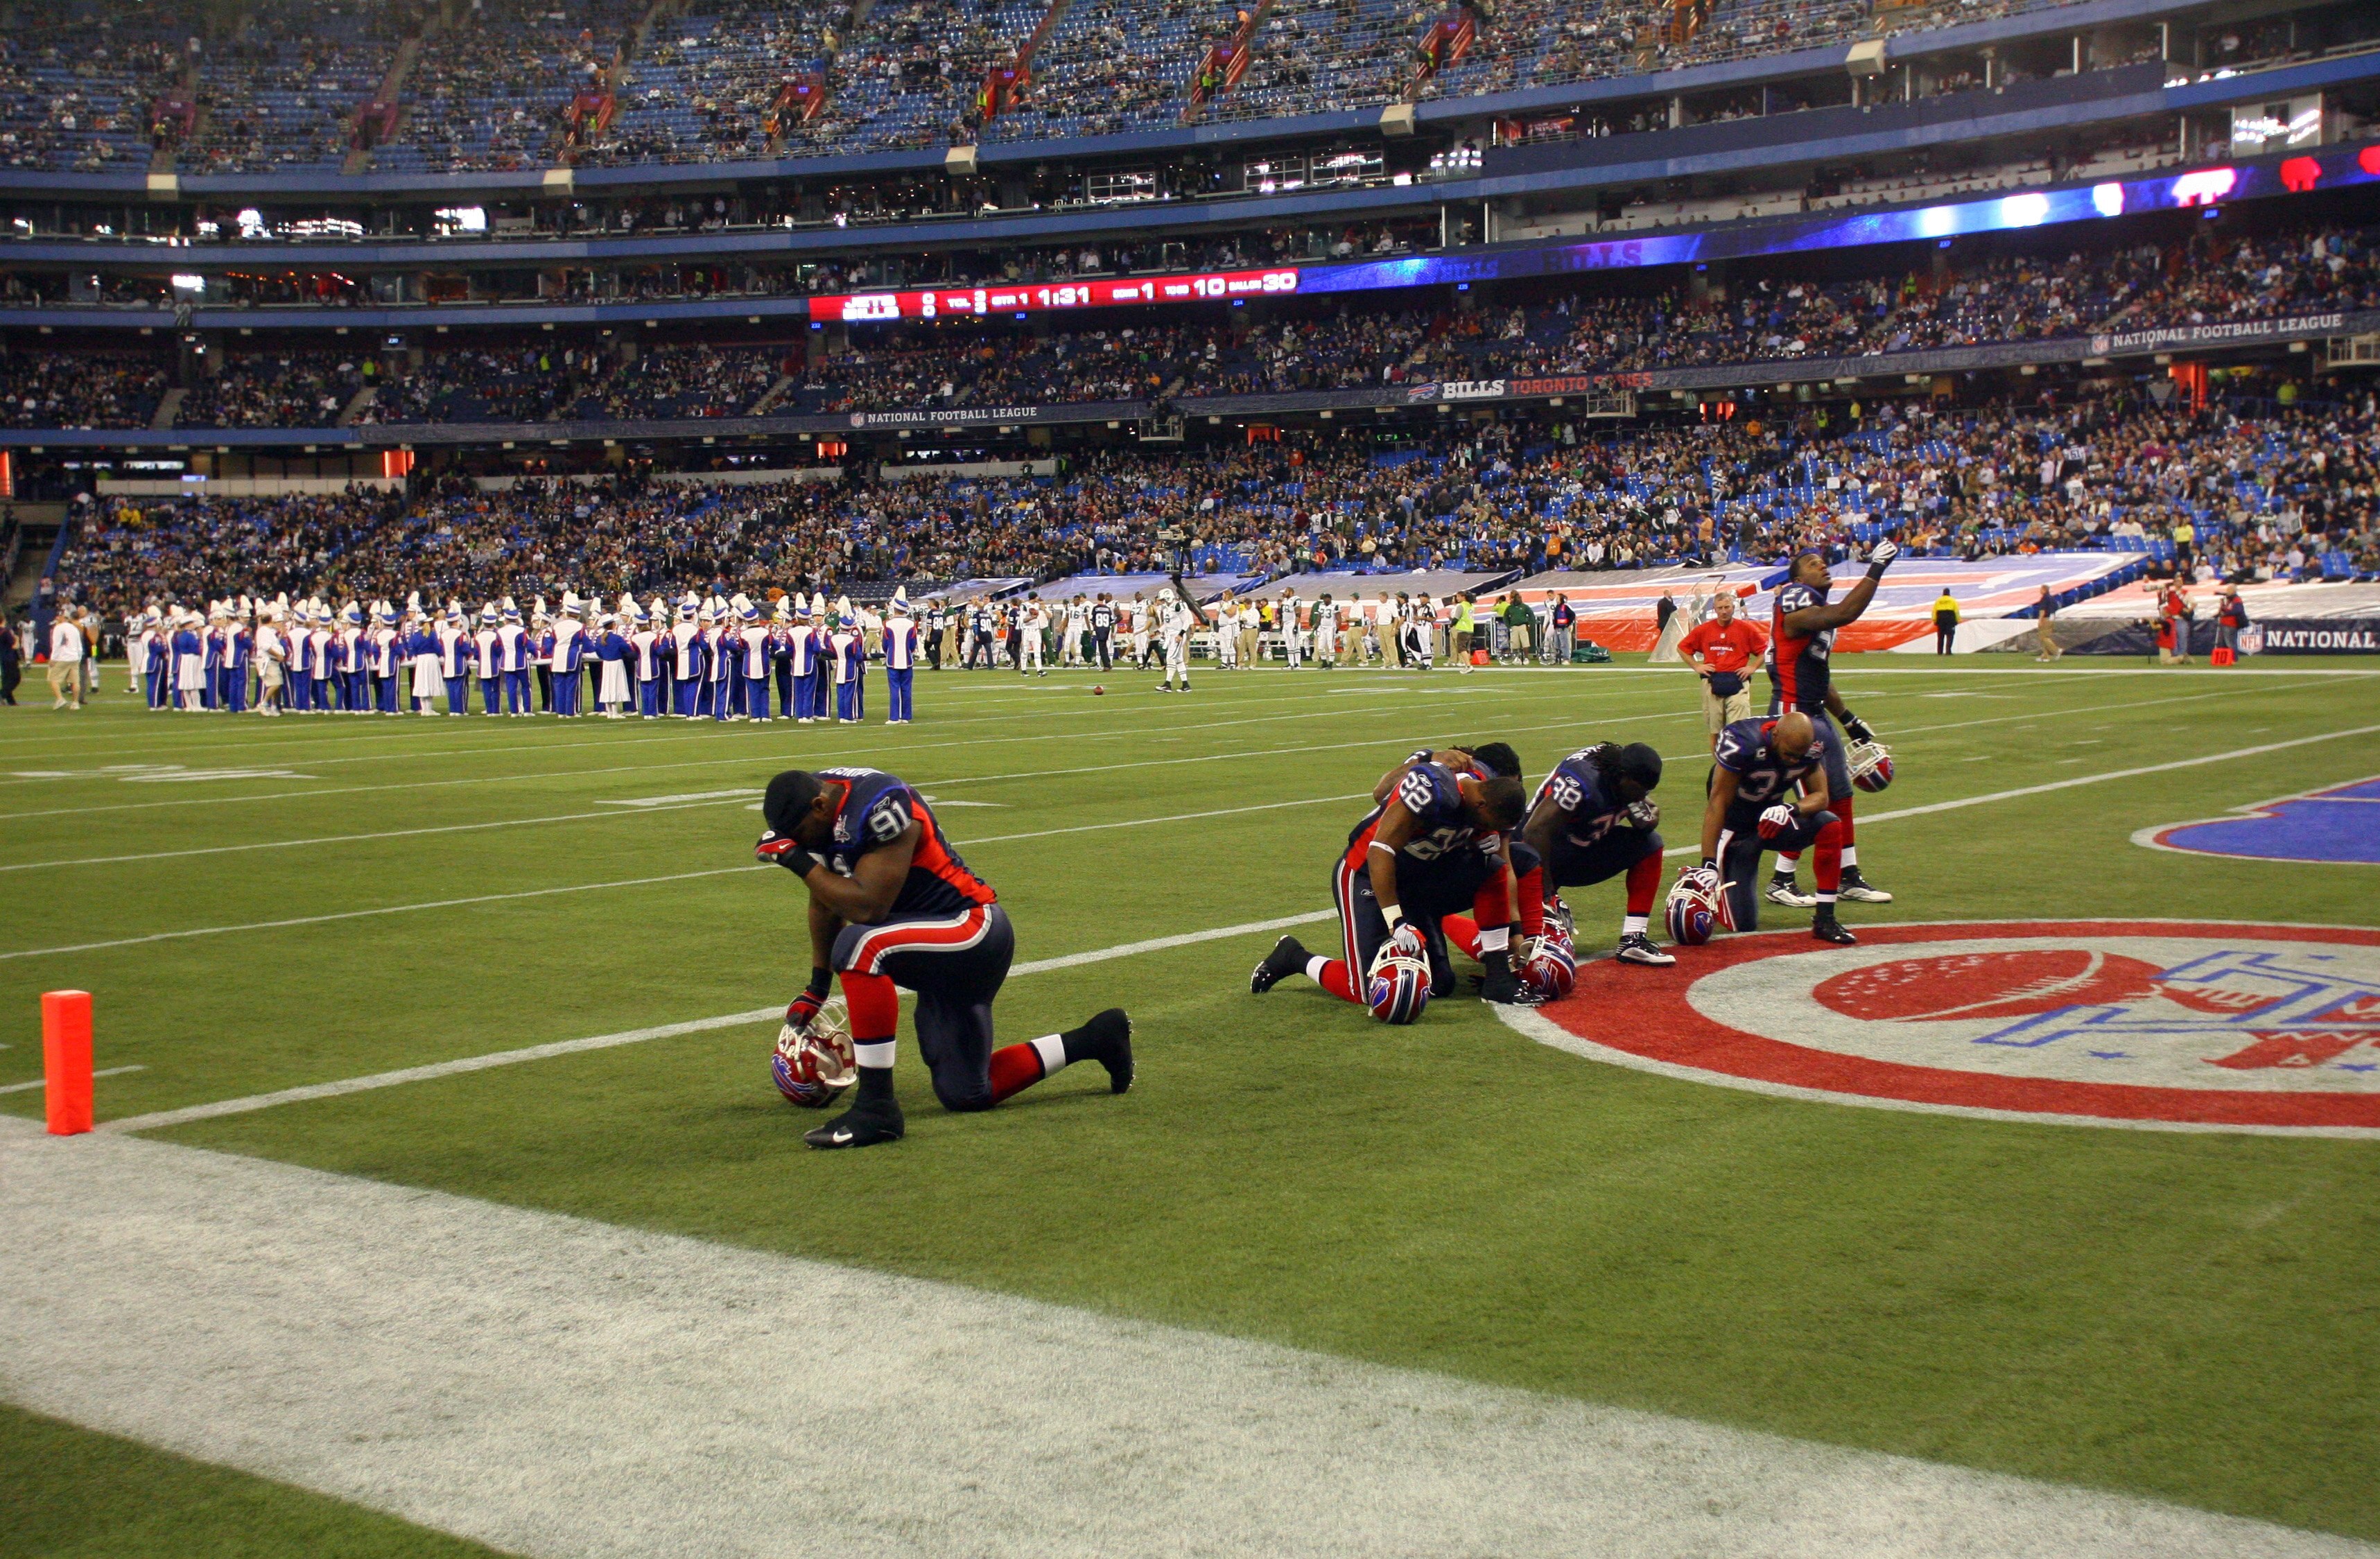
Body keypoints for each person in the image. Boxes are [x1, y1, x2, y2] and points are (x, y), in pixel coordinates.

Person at [754, 767, 1133, 1149]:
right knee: (966, 1093)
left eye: (801, 835)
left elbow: (869, 908)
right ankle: (1097, 1039)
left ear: (820, 807)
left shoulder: (881, 805)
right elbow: (827, 895)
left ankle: (876, 1109)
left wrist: (798, 861)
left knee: (861, 944)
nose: (802, 846)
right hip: (930, 943)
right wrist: (816, 988)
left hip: (970, 930)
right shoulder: (819, 804)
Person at [1249, 758, 1529, 1013]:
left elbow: (1504, 865)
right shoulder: (1435, 792)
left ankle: (1497, 976)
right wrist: (1396, 922)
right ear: (1480, 804)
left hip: (1416, 880)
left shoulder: (1490, 793)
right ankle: (1295, 957)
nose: (1489, 830)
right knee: (1367, 992)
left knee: (1440, 983)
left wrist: (1516, 932)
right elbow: (1380, 850)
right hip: (1366, 873)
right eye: (1488, 824)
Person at [1764, 543, 1895, 910]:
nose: (1822, 566)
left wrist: (1849, 720)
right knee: (1812, 803)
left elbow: (1819, 676)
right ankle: (1781, 878)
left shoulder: (1814, 607)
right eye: (1811, 563)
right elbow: (1846, 613)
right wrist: (1876, 569)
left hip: (1815, 710)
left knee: (1841, 797)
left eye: (1822, 561)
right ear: (1795, 578)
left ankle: (1848, 877)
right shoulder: (1793, 598)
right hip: (1794, 716)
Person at [1694, 711, 1855, 944]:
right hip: (1737, 833)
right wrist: (1707, 862)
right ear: (1776, 735)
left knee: (1829, 824)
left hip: (1772, 821)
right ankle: (1705, 879)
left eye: (1800, 756)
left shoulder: (1811, 743)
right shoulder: (1743, 741)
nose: (1794, 761)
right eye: (1790, 755)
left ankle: (1825, 919)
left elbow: (1821, 797)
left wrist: (1791, 809)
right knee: (1744, 925)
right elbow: (1717, 802)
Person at [1518, 741, 1673, 965]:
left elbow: (1641, 813)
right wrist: (1546, 893)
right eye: (1640, 790)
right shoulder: (1582, 783)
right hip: (1537, 857)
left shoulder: (1624, 782)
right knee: (1514, 943)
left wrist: (1649, 818)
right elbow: (1534, 831)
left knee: (1650, 843)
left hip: (1580, 849)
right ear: (1623, 777)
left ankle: (1633, 938)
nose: (1643, 797)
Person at [1675, 590, 1766, 753]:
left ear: (1733, 607)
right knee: (1715, 731)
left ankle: (1737, 766)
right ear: (1714, 610)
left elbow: (1764, 650)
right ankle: (1719, 769)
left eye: (1727, 607)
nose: (1724, 611)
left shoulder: (1746, 629)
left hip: (1738, 681)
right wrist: (1697, 666)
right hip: (1712, 681)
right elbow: (1682, 648)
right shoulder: (1704, 629)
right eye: (1720, 608)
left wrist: (1752, 667)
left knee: (1739, 729)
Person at [884, 592, 922, 722]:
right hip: (907, 660)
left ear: (895, 609)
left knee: (894, 689)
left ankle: (894, 717)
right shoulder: (911, 624)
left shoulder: (888, 624)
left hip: (892, 661)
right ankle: (906, 716)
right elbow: (913, 644)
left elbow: (885, 644)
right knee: (907, 689)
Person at [47, 608, 85, 709]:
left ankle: (60, 699)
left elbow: (56, 644)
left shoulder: (58, 628)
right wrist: (79, 658)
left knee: (53, 678)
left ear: (61, 617)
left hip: (62, 657)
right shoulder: (74, 628)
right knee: (75, 681)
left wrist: (53, 658)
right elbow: (79, 646)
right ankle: (75, 703)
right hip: (74, 657)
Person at [2214, 584, 2249, 662]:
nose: (2227, 591)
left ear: (2233, 591)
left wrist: (2226, 613)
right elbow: (2225, 610)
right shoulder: (2229, 600)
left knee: (2230, 643)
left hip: (2231, 624)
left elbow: (2237, 610)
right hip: (2225, 623)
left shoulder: (2237, 599)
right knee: (2224, 643)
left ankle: (2234, 659)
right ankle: (2225, 658)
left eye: (2229, 590)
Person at [2033, 585, 2062, 662]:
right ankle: (2045, 656)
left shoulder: (2044, 598)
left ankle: (2056, 650)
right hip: (2052, 618)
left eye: (2041, 589)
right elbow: (2056, 607)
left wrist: (2040, 620)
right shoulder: (2052, 598)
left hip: (2046, 618)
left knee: (2043, 637)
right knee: (2044, 637)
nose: (2040, 590)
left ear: (2044, 590)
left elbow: (2042, 610)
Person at [1931, 588, 1960, 654]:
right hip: (1950, 619)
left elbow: (1934, 611)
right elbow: (1956, 611)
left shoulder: (1938, 601)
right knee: (1950, 636)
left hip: (1940, 619)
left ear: (1943, 593)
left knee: (1941, 636)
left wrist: (1935, 620)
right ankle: (1948, 651)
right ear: (1949, 593)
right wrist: (1957, 620)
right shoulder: (1952, 600)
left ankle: (1940, 652)